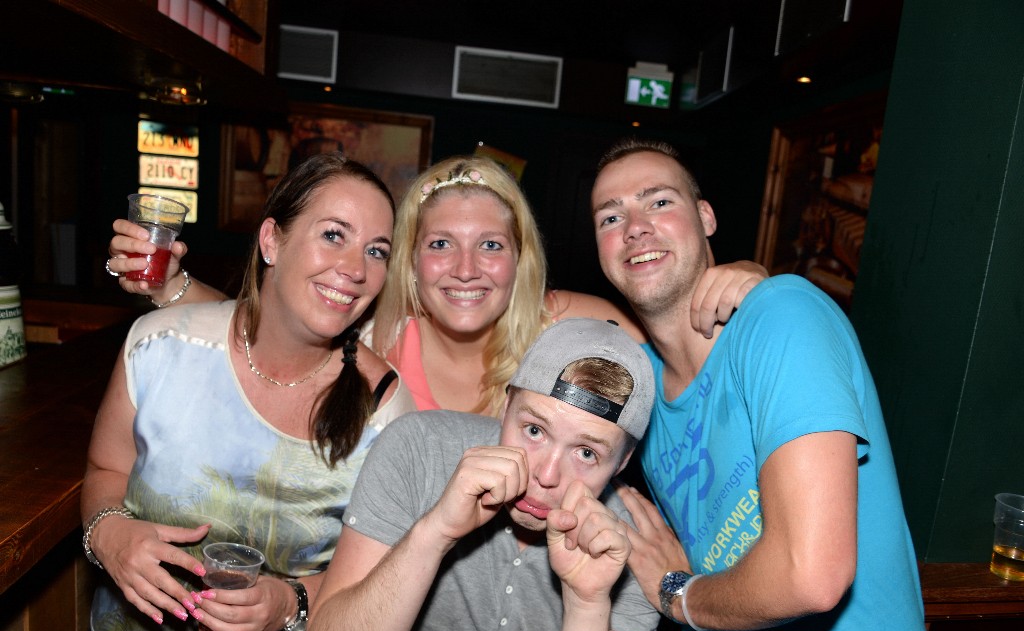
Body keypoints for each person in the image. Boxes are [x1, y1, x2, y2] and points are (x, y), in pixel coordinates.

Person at [589, 138, 931, 631]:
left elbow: (811, 576)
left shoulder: (780, 316)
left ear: (705, 218)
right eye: (611, 217)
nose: (634, 227)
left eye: (658, 202)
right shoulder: (641, 387)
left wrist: (677, 595)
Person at [82, 152, 416, 631]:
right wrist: (108, 534)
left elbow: (377, 583)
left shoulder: (384, 412)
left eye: (377, 251)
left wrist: (289, 604)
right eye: (334, 235)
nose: (356, 269)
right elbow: (105, 472)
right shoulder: (161, 345)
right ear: (272, 241)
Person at [105, 154, 765, 417]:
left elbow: (679, 335)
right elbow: (254, 324)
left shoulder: (561, 322)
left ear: (520, 262)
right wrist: (170, 288)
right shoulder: (384, 330)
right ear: (412, 264)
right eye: (442, 245)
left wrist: (746, 285)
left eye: (492, 246)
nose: (468, 269)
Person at [306, 317, 662, 631]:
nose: (547, 475)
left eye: (586, 453)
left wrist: (588, 604)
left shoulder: (623, 545)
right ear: (506, 407)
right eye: (535, 430)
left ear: (622, 462)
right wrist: (435, 532)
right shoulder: (419, 449)